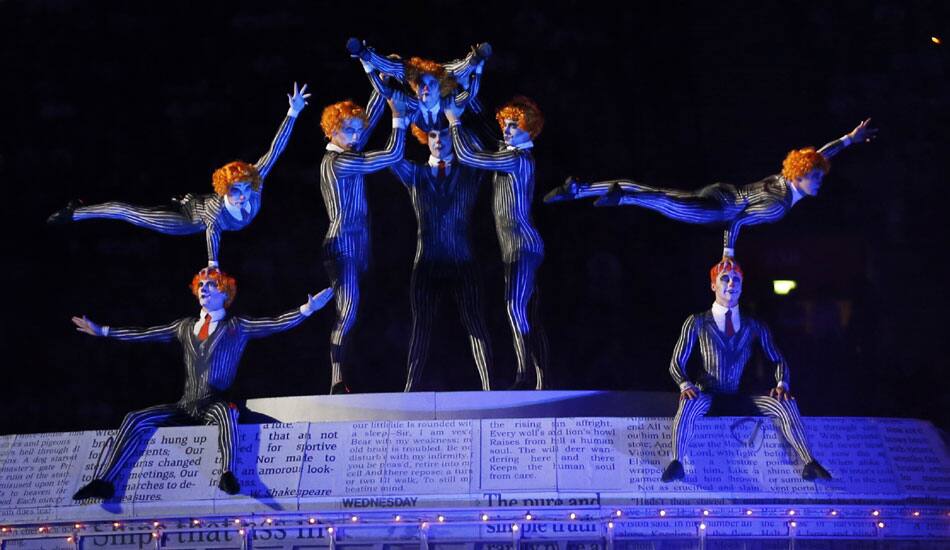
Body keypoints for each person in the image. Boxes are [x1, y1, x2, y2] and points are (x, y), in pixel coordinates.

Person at [70, 267, 334, 500]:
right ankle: (105, 480)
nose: (204, 288)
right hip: (186, 406)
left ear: (225, 293)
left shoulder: (236, 326)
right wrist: (103, 331)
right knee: (134, 418)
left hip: (214, 403)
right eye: (201, 285)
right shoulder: (184, 327)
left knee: (226, 411)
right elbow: (145, 333)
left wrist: (307, 309)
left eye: (211, 285)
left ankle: (228, 473)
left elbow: (274, 324)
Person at [48, 84, 312, 267]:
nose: (243, 196)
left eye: (244, 189)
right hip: (187, 218)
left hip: (194, 199)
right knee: (131, 213)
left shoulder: (255, 182)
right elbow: (212, 233)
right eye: (235, 191)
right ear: (224, 190)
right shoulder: (217, 213)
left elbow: (275, 150)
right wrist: (213, 264)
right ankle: (76, 212)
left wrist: (293, 112)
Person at [546, 119, 877, 258]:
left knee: (656, 190)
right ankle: (622, 197)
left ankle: (579, 189)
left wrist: (849, 139)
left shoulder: (783, 175)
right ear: (800, 177)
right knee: (659, 200)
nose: (820, 181)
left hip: (721, 191)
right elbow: (737, 223)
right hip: (718, 211)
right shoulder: (778, 206)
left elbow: (819, 155)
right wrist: (728, 256)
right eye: (816, 177)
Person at [661, 258, 831, 482]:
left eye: (736, 280)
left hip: (741, 396)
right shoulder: (698, 322)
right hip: (708, 395)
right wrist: (685, 384)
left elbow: (777, 359)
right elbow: (676, 362)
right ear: (713, 285)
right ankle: (677, 461)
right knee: (689, 404)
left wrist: (782, 383)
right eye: (725, 278)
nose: (731, 284)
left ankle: (809, 460)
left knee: (785, 402)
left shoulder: (753, 325)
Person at [444, 96, 548, 390]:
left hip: (521, 244)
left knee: (516, 307)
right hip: (516, 245)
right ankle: (536, 377)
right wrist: (471, 97)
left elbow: (471, 157)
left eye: (513, 126)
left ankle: (524, 374)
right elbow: (487, 139)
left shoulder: (516, 158)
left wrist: (454, 122)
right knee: (525, 310)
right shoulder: (513, 153)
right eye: (505, 124)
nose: (506, 130)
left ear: (529, 129)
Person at [390, 125, 493, 391]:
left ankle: (489, 388)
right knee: (421, 326)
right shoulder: (415, 172)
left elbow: (482, 149)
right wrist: (399, 118)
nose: (438, 140)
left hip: (463, 260)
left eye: (444, 135)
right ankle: (409, 390)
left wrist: (456, 118)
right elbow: (390, 155)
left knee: (475, 322)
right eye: (433, 135)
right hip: (426, 263)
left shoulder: (469, 171)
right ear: (425, 139)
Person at [318, 91, 407, 394]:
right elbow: (392, 155)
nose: (356, 135)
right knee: (348, 310)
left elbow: (366, 120)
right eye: (348, 130)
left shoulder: (349, 149)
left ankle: (349, 376)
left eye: (358, 130)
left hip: (358, 244)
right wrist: (398, 115)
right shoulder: (338, 162)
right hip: (342, 243)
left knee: (358, 313)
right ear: (332, 130)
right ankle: (336, 379)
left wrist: (378, 80)